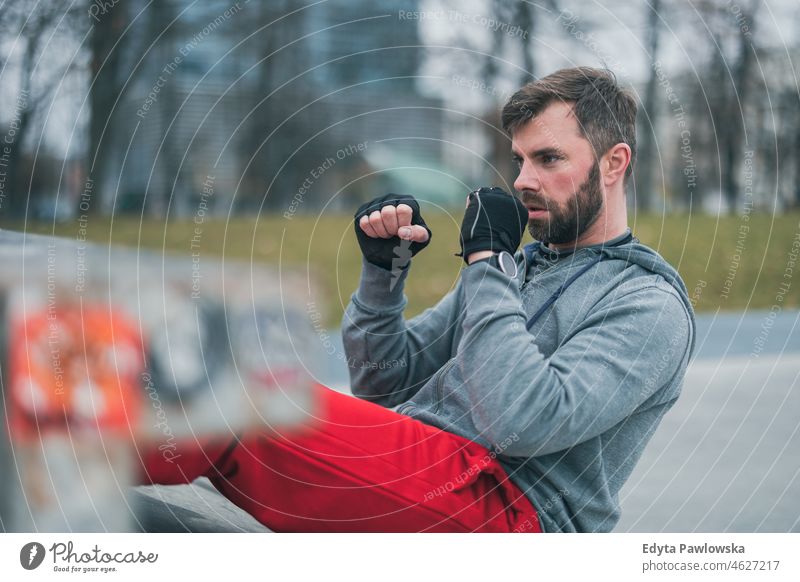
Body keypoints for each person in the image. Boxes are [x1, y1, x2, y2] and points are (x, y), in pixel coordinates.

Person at [140, 66, 695, 533]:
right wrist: (384, 274)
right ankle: (68, 450)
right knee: (222, 382)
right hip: (430, 462)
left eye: (548, 159)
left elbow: (526, 423)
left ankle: (64, 465)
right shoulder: (521, 269)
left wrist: (486, 263)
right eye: (519, 160)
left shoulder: (648, 304)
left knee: (237, 407)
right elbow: (383, 385)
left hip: (510, 510)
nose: (523, 180)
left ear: (614, 163)